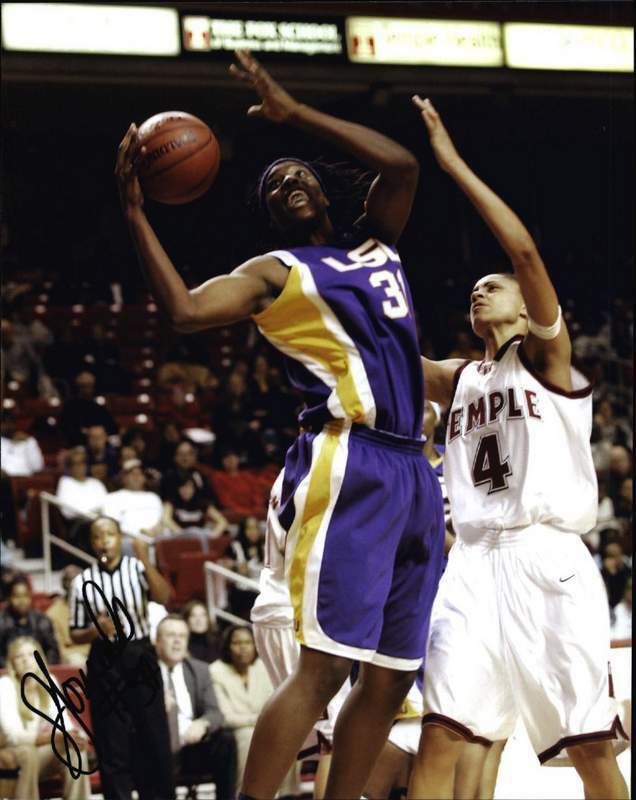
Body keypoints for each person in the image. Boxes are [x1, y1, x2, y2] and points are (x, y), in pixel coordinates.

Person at [116, 48, 445, 799]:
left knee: (392, 678)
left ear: (325, 192)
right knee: (326, 667)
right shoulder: (275, 272)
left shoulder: (376, 244)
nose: (289, 181)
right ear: (267, 214)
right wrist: (136, 213)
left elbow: (402, 168)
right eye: (274, 183)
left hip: (414, 469)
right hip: (349, 461)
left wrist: (294, 112)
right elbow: (186, 312)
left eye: (299, 173)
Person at [407, 96, 628, 799]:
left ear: (524, 306)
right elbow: (381, 353)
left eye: (491, 286)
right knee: (440, 734)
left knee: (591, 752)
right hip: (471, 565)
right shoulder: (458, 376)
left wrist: (452, 165)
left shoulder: (547, 358)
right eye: (472, 289)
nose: (480, 291)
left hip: (546, 560)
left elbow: (523, 250)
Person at [68, 515, 174, 800]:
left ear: (119, 539)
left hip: (139, 654)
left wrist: (145, 558)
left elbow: (164, 596)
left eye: (110, 535)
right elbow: (74, 633)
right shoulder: (82, 582)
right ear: (92, 543)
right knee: (111, 740)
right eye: (98, 536)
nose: (104, 541)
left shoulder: (137, 568)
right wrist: (95, 630)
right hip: (104, 659)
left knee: (153, 735)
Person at [154, 615, 237, 799]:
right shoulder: (145, 673)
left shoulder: (199, 670)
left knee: (226, 740)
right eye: (171, 635)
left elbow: (215, 713)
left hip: (191, 748)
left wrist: (203, 724)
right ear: (157, 642)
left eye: (182, 636)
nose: (177, 641)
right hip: (158, 748)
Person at [0, 636, 91, 800]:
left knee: (74, 750)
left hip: (40, 754)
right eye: (20, 657)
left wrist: (76, 737)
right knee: (28, 753)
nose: (26, 661)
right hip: (13, 755)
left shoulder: (49, 682)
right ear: (12, 663)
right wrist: (57, 736)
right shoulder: (5, 686)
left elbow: (64, 722)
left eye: (31, 655)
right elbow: (14, 738)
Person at [209, 626, 275, 790]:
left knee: (283, 734)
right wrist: (256, 720)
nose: (243, 647)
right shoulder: (215, 671)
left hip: (264, 725)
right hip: (235, 730)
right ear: (227, 646)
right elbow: (224, 716)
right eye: (237, 643)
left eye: (247, 642)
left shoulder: (264, 667)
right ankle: (245, 793)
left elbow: (274, 704)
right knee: (248, 735)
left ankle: (285, 794)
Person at [0, 576, 60, 668]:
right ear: (9, 598)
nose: (22, 601)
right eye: (17, 596)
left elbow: (52, 650)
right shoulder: (2, 621)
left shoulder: (41, 619)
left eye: (25, 595)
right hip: (10, 672)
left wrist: (42, 669)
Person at [102, 459, 164, 547]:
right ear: (123, 477)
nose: (137, 477)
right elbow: (112, 526)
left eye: (140, 474)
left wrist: (154, 531)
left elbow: (161, 522)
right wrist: (141, 533)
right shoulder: (113, 498)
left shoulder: (153, 497)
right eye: (132, 474)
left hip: (157, 539)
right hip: (129, 540)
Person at [162, 475, 228, 549]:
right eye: (183, 487)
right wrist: (180, 533)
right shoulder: (170, 503)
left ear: (194, 489)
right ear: (178, 488)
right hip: (178, 538)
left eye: (190, 487)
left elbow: (222, 521)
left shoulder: (202, 502)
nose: (186, 490)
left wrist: (213, 535)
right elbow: (166, 519)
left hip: (200, 537)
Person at [45, 565, 91, 667]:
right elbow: (59, 649)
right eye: (71, 581)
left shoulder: (95, 606)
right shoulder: (53, 613)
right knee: (77, 661)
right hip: (72, 655)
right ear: (63, 584)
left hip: (95, 651)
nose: (75, 585)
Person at [59, 371, 117, 446]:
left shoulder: (98, 406)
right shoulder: (70, 406)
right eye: (83, 386)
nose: (87, 389)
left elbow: (111, 427)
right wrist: (87, 432)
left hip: (100, 443)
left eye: (89, 385)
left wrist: (99, 433)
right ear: (78, 387)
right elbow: (67, 429)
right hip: (78, 445)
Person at [56, 447, 108, 524]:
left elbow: (107, 504)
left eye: (82, 462)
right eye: (76, 463)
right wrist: (92, 512)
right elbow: (67, 511)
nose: (80, 466)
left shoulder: (96, 483)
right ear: (69, 467)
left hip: (101, 521)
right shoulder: (65, 482)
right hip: (80, 524)